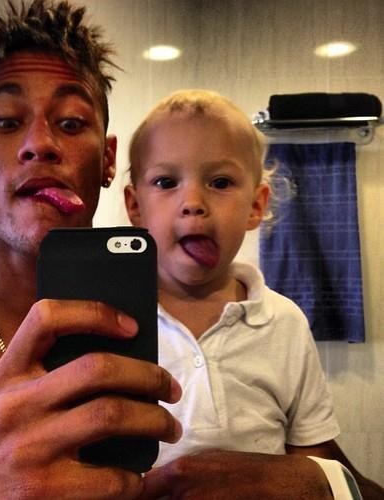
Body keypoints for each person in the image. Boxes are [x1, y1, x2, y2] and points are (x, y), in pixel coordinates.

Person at [0, 0, 373, 497]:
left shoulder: (171, 320)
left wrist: (314, 482)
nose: (40, 143)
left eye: (71, 123)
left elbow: (343, 477)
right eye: (6, 121)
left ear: (107, 160)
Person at [124, 89, 384, 499]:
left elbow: (311, 460)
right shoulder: (115, 320)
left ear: (256, 205)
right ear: (135, 206)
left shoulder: (284, 321)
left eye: (220, 182)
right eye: (166, 182)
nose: (193, 203)